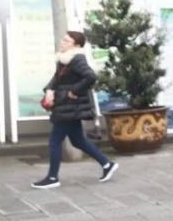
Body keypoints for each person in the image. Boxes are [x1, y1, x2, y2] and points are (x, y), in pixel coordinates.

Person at [33, 31, 118, 189]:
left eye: (67, 41)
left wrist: (74, 91)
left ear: (76, 45)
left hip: (69, 106)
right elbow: (56, 78)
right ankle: (107, 164)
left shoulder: (77, 59)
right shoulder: (64, 59)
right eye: (63, 39)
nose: (62, 42)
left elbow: (90, 76)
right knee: (78, 140)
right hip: (66, 106)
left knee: (54, 141)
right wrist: (49, 90)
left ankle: (52, 178)